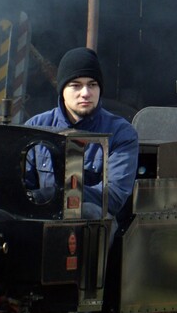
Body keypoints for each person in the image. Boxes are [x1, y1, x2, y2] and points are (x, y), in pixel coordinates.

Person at [25, 47, 139, 219]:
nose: (85, 93)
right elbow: (21, 184)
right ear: (61, 88)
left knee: (89, 211)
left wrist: (53, 194)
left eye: (92, 85)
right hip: (40, 218)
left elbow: (113, 196)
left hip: (94, 228)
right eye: (76, 85)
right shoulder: (35, 127)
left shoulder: (121, 133)